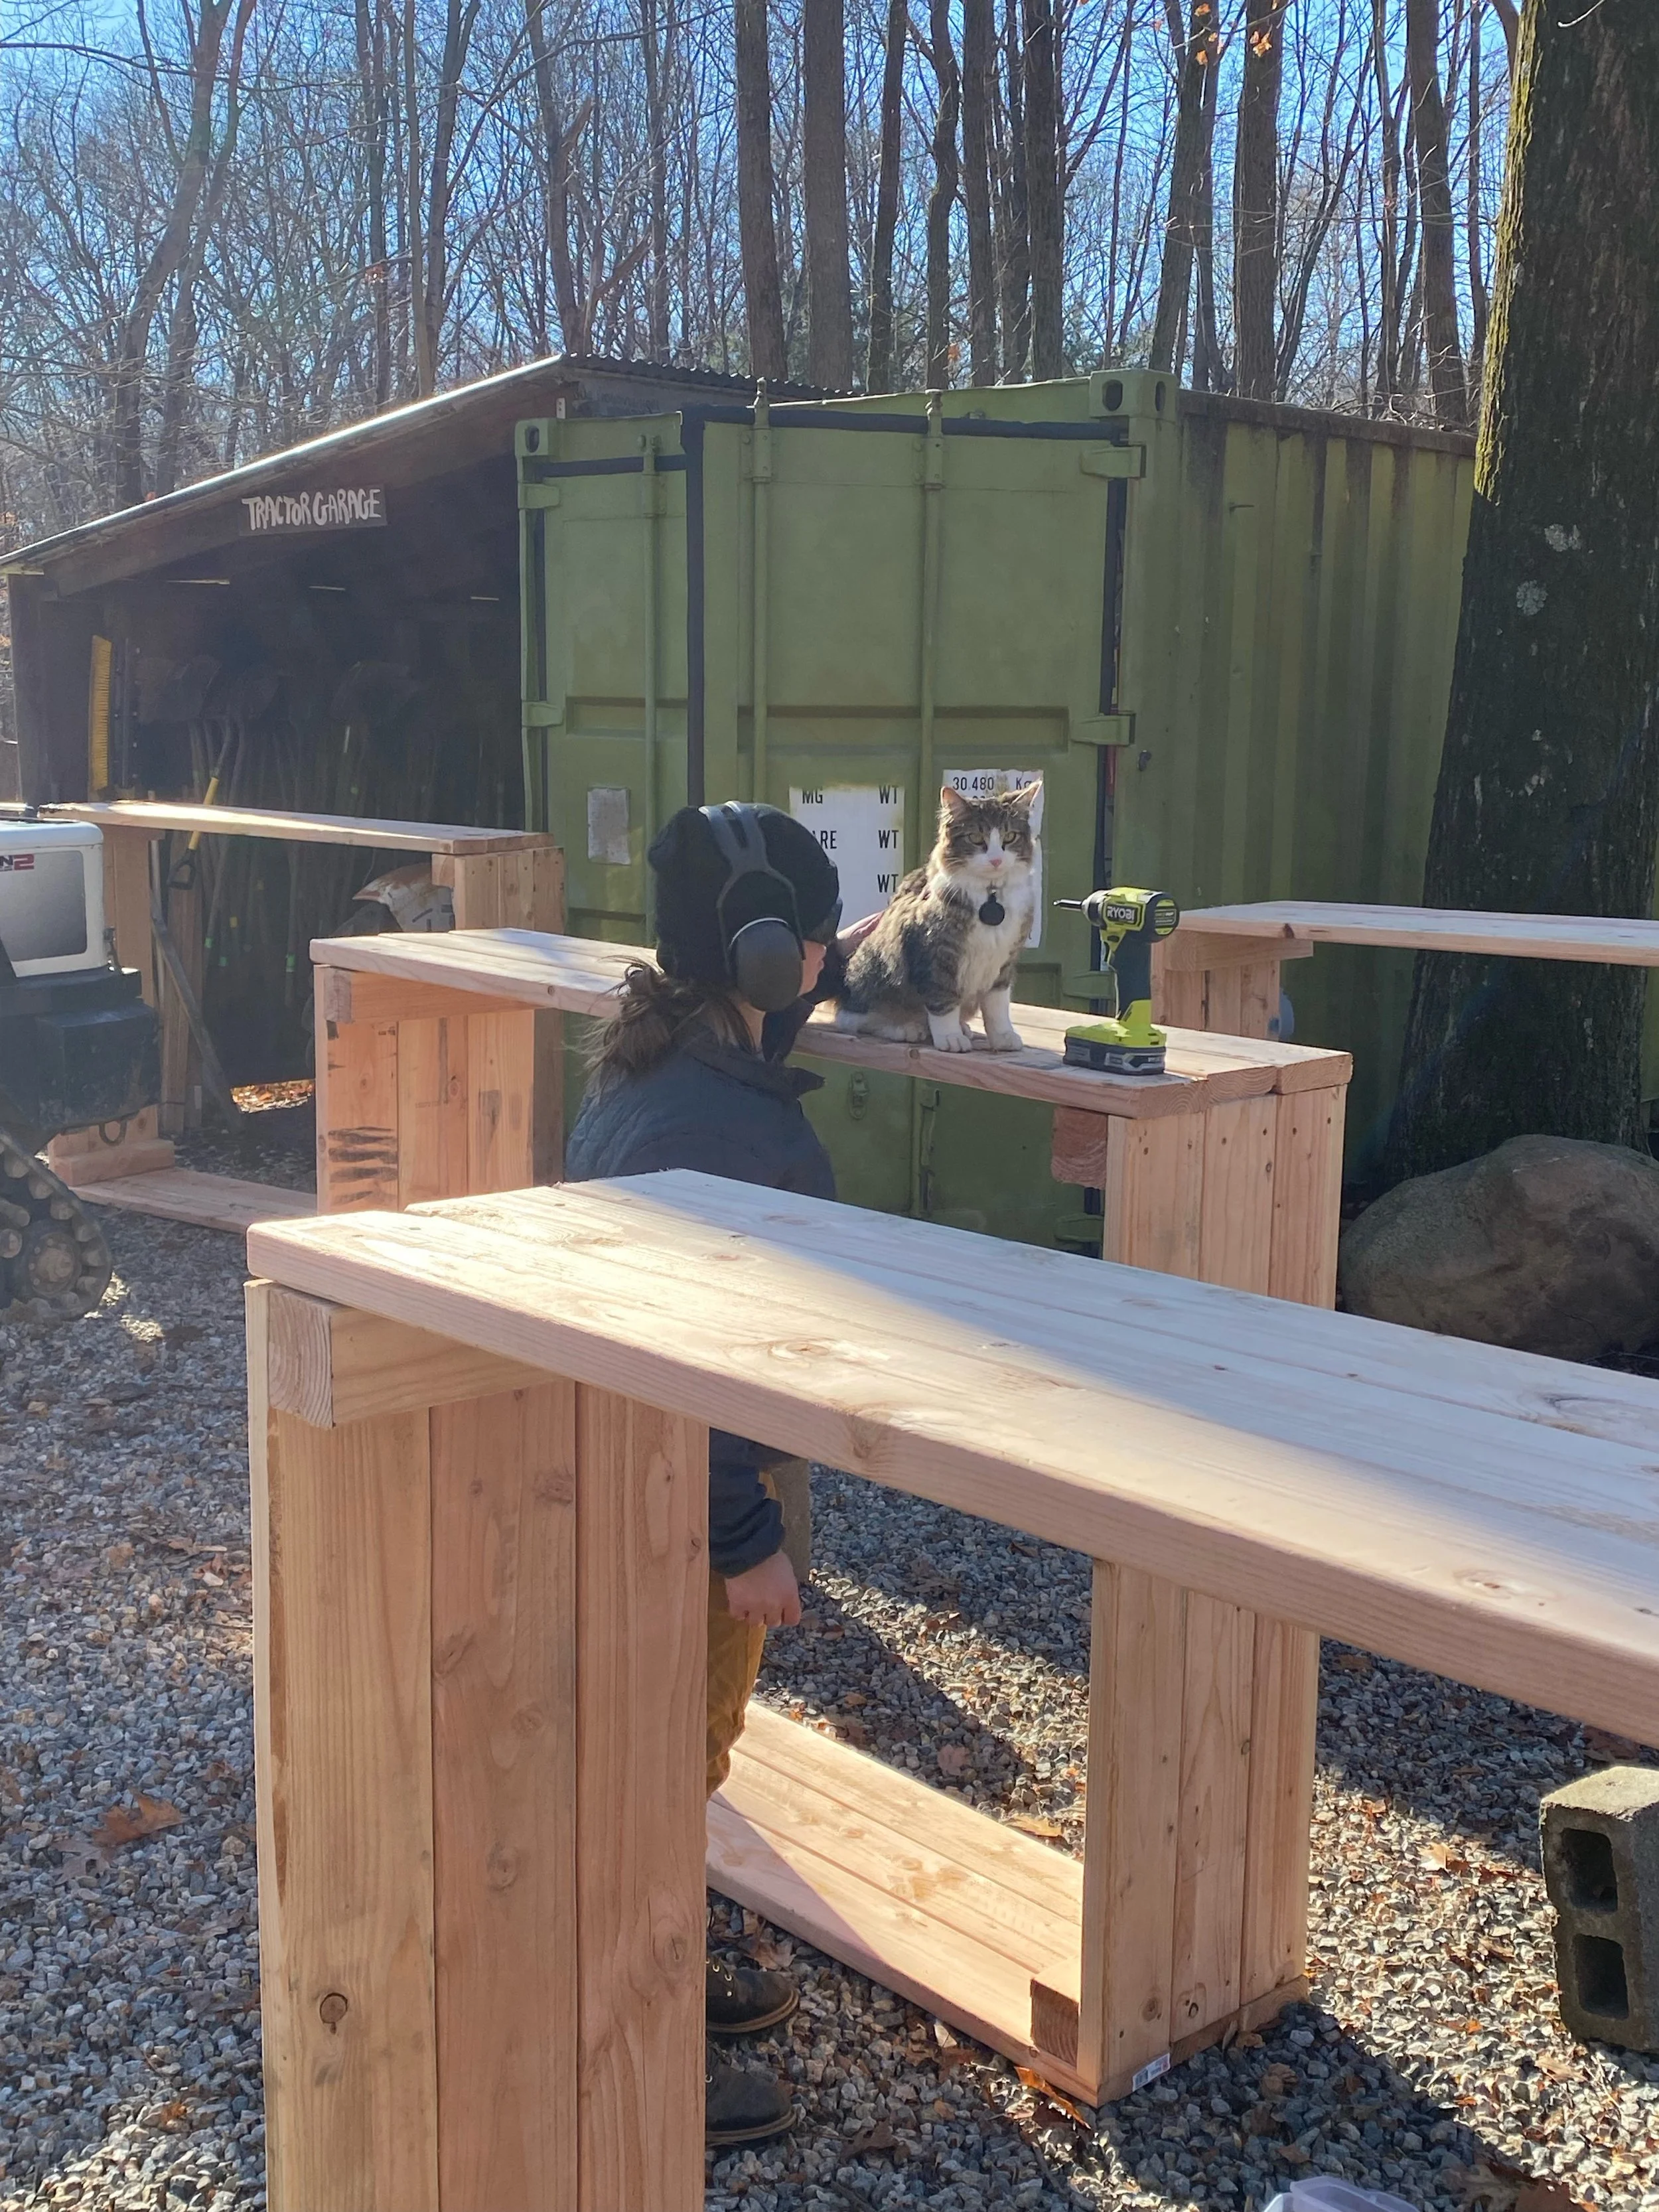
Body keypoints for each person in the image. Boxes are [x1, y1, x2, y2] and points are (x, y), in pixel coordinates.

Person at [565, 800, 845, 2148]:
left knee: (660, 1747)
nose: (820, 961)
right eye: (809, 940)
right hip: (694, 1504)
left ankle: (656, 1971)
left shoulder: (658, 1070)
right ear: (757, 957)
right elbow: (693, 1360)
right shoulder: (721, 1135)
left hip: (640, 1492)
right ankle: (639, 2037)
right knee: (666, 1760)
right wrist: (747, 1534)